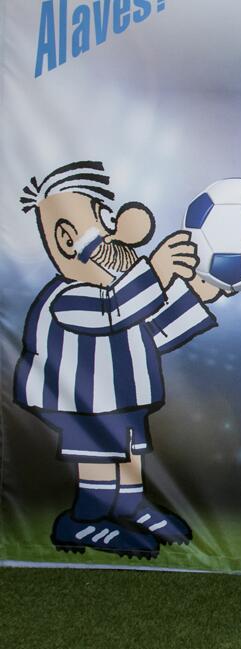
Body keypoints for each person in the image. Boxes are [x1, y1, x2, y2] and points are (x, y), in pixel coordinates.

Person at [14, 160, 222, 560]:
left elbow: (153, 331)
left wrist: (196, 295)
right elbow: (113, 311)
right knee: (98, 452)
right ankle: (84, 520)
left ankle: (129, 505)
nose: (121, 232)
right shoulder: (68, 296)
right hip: (81, 400)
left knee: (128, 449)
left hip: (122, 397)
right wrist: (156, 272)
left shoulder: (117, 294)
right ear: (67, 238)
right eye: (104, 221)